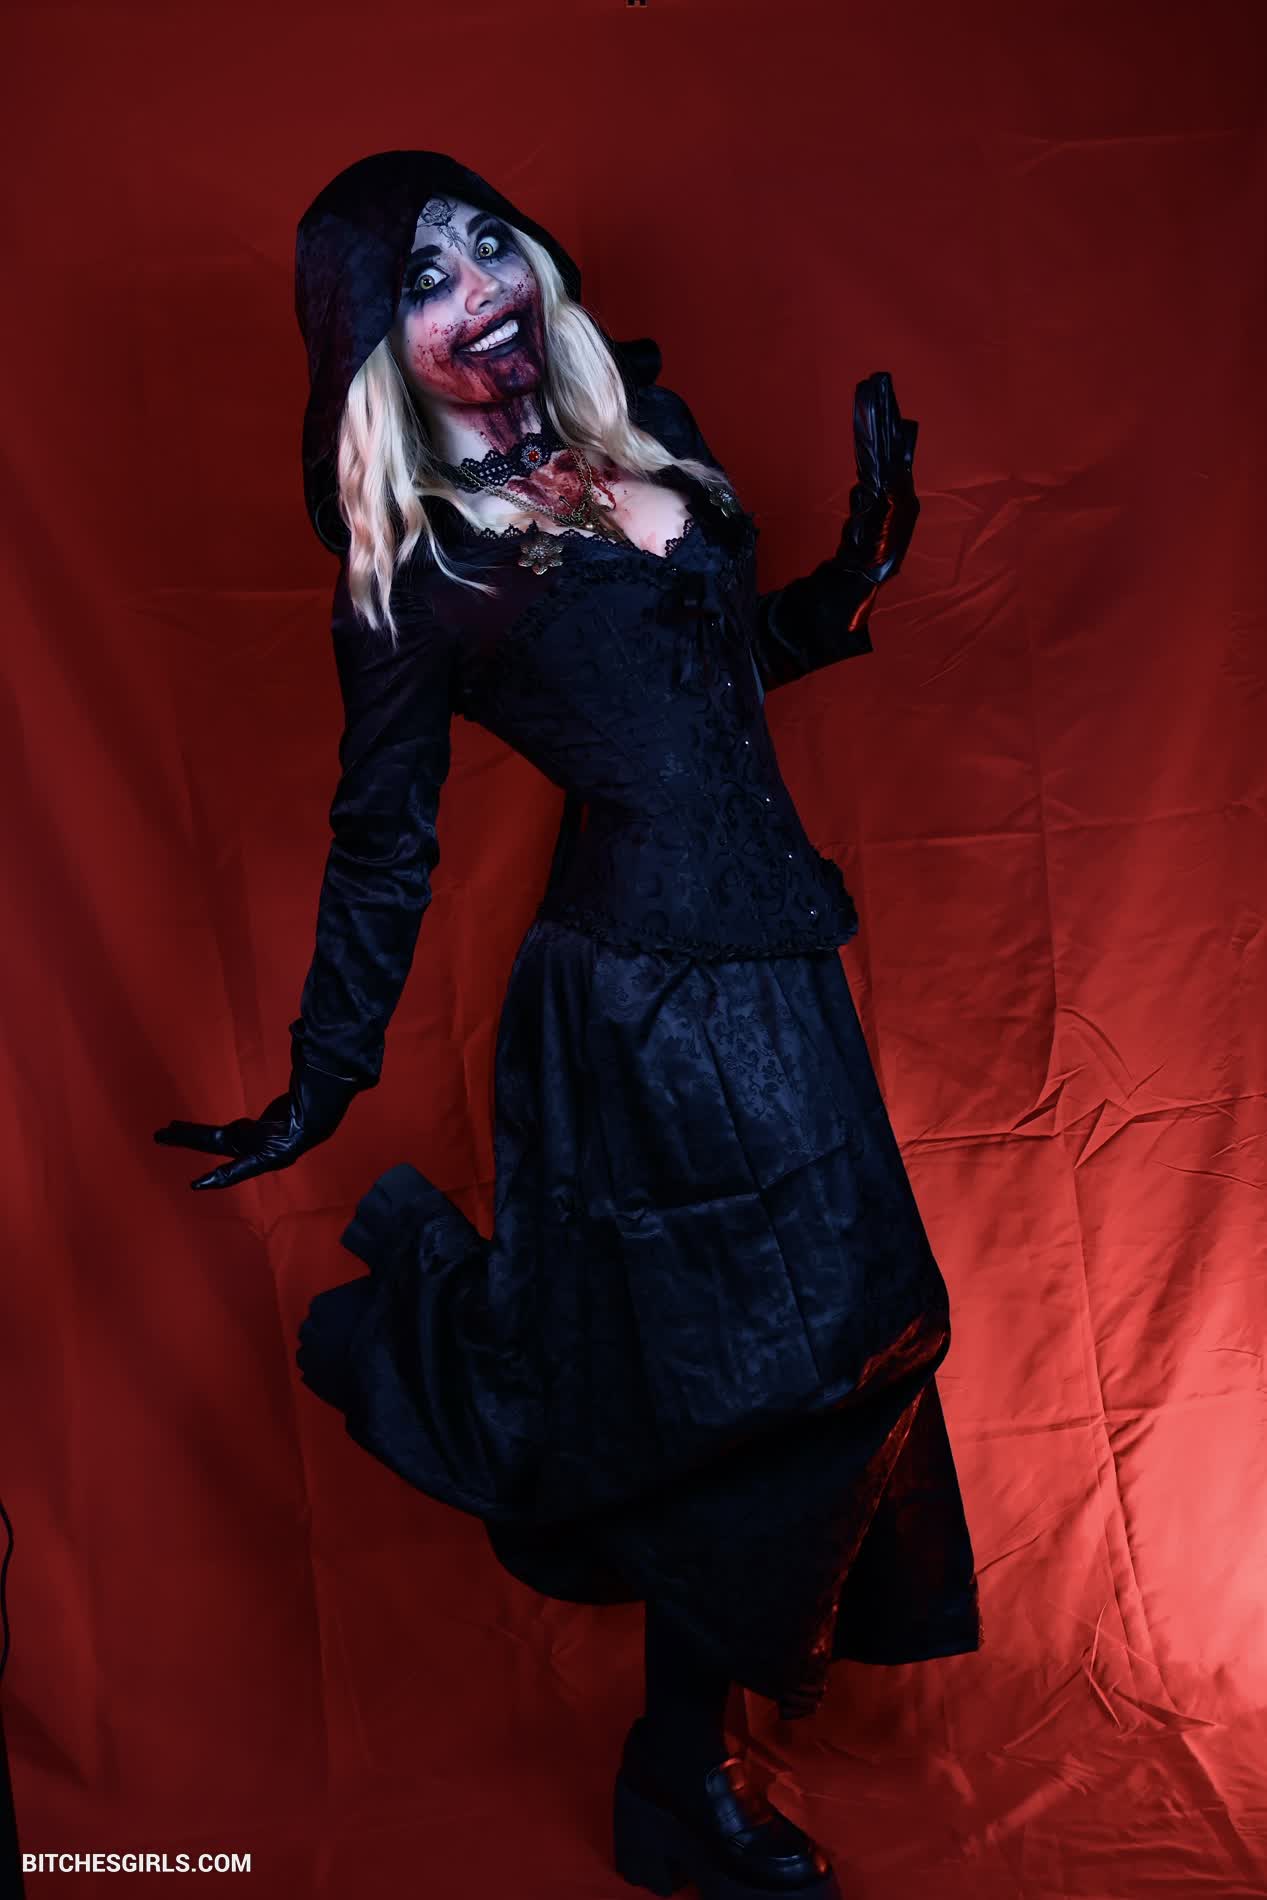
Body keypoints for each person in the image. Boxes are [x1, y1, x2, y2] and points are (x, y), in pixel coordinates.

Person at [154, 150, 983, 1900]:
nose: (482, 286)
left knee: (832, 1355)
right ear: (371, 349)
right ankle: (683, 1776)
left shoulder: (639, 432)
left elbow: (713, 676)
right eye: (423, 278)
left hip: (778, 971)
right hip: (640, 1006)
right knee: (756, 1379)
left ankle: (677, 1772)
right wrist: (320, 1075)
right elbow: (383, 845)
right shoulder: (424, 574)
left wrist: (853, 574)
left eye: (489, 241)